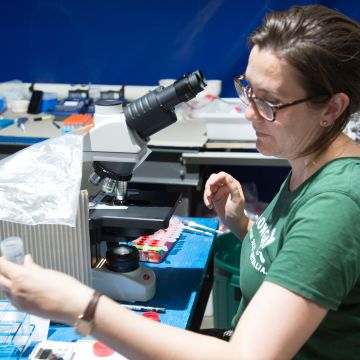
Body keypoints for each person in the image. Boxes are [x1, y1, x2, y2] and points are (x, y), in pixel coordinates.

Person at [1, 4, 360, 359]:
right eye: (247, 89)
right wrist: (243, 226)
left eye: (268, 102)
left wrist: (84, 307)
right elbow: (297, 264)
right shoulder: (308, 161)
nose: (249, 111)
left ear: (331, 108)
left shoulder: (337, 204)